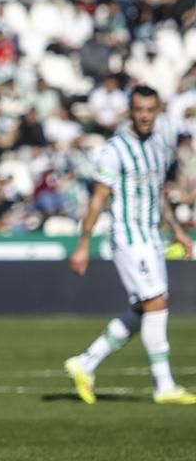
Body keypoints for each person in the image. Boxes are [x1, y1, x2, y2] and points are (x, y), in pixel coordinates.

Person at [65, 85, 196, 405]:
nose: (145, 116)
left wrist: (176, 230)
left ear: (158, 110)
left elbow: (157, 194)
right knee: (156, 303)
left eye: (150, 110)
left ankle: (85, 363)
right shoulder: (114, 149)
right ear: (131, 111)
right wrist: (83, 244)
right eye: (139, 110)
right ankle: (164, 386)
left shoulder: (159, 146)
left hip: (152, 237)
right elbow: (98, 199)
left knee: (145, 308)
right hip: (127, 237)